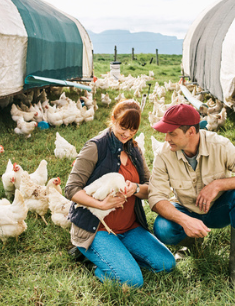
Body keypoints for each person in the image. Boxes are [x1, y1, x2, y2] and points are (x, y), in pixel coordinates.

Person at [148, 103, 235, 285]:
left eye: (172, 133)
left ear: (191, 132)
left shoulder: (219, 145)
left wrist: (218, 185)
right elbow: (156, 199)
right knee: (163, 228)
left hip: (219, 210)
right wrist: (185, 220)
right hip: (186, 209)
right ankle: (192, 243)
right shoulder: (163, 155)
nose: (166, 138)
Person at [65, 99, 176, 288]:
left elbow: (149, 186)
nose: (127, 134)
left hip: (129, 227)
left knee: (167, 264)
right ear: (113, 119)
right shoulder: (95, 147)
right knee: (132, 281)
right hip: (97, 229)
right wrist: (101, 205)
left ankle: (118, 256)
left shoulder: (134, 150)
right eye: (123, 127)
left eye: (133, 129)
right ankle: (95, 262)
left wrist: (136, 188)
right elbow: (71, 189)